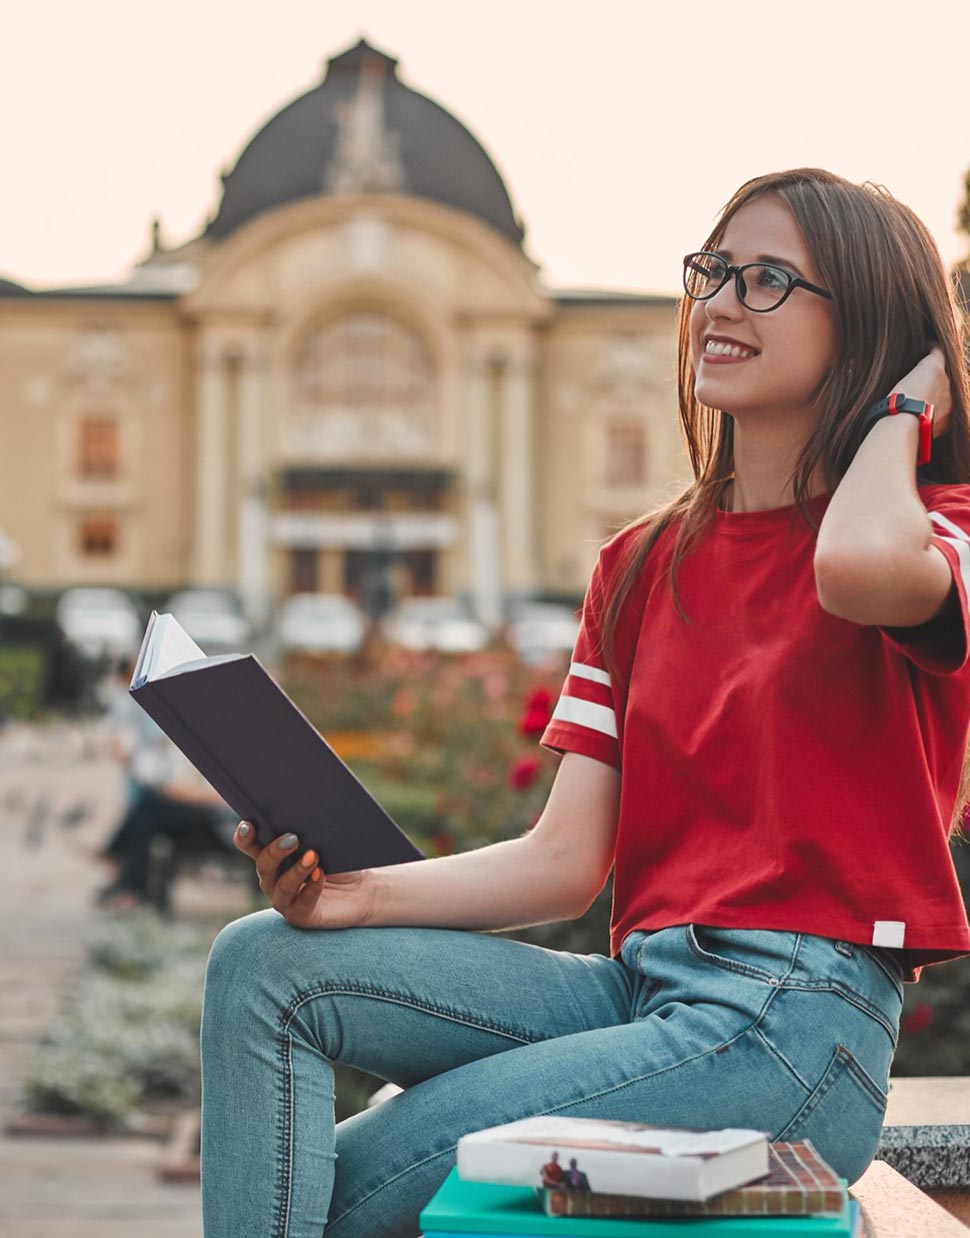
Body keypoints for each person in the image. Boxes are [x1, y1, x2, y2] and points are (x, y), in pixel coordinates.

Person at [199, 168, 970, 1238]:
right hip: (642, 989)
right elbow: (565, 859)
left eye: (769, 281)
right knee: (260, 963)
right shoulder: (643, 561)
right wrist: (354, 898)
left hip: (794, 1027)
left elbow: (850, 569)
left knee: (359, 1187)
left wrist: (903, 411)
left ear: (867, 326)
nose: (721, 303)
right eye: (712, 272)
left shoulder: (932, 527)